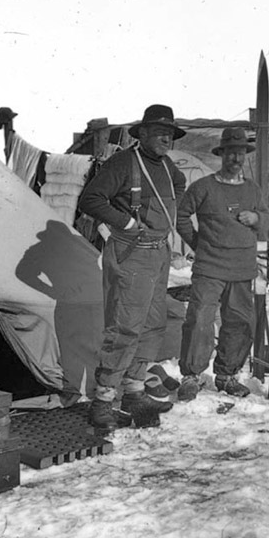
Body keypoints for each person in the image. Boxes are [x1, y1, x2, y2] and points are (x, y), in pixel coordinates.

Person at [78, 104, 187, 431]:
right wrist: (125, 220)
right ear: (143, 134)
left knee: (153, 325)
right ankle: (103, 401)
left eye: (170, 133)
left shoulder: (169, 167)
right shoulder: (123, 163)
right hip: (131, 254)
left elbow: (178, 188)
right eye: (159, 132)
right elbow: (90, 199)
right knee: (124, 327)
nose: (166, 138)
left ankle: (135, 391)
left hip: (158, 254)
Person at [175, 128, 269, 401]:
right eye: (231, 153)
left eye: (240, 154)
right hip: (210, 269)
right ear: (222, 155)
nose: (236, 159)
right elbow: (181, 215)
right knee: (199, 320)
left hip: (242, 268)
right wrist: (198, 244)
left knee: (240, 322)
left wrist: (257, 218)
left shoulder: (252, 189)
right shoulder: (203, 187)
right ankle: (191, 376)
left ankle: (227, 375)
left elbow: (267, 217)